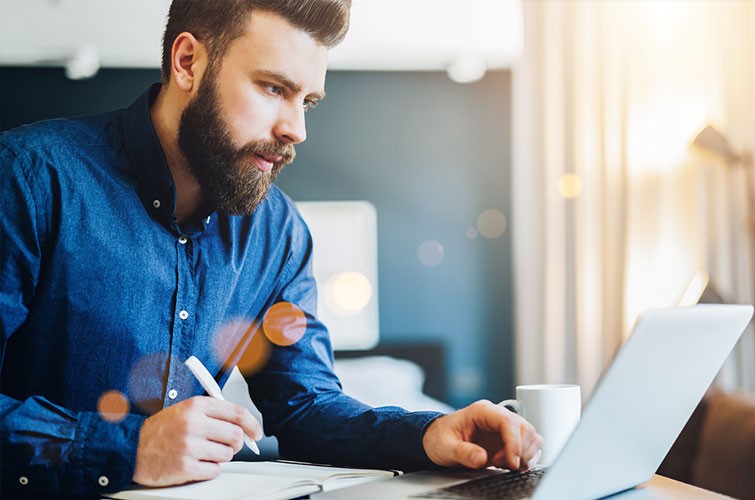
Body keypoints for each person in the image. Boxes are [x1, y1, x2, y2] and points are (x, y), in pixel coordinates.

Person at [0, 0, 542, 497]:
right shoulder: (28, 180)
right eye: (273, 88)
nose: (297, 129)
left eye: (308, 100)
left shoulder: (279, 233)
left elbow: (306, 406)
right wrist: (127, 449)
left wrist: (428, 433)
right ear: (188, 62)